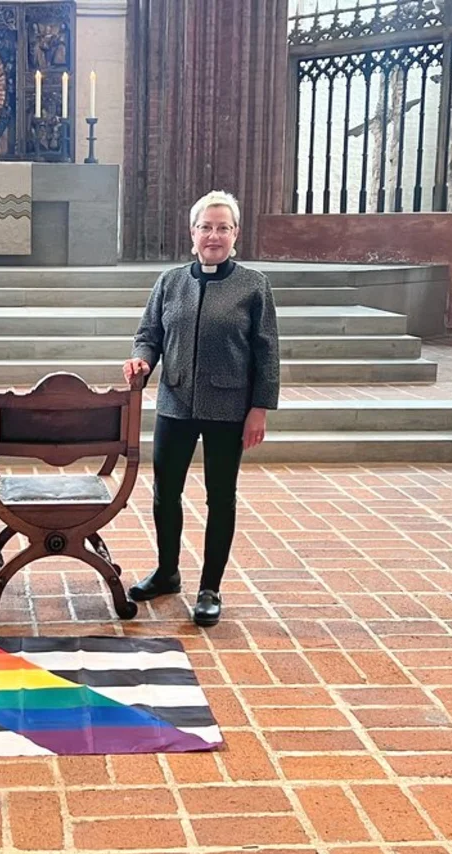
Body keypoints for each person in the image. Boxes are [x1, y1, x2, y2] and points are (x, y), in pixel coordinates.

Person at [122, 190, 280, 627]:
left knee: (220, 498)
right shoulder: (170, 282)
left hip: (229, 407)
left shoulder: (253, 286)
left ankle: (210, 587)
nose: (214, 235)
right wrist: (142, 360)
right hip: (175, 401)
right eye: (206, 227)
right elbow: (149, 334)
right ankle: (167, 571)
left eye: (222, 227)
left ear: (236, 235)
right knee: (164, 492)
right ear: (192, 234)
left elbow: (268, 353)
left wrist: (260, 409)